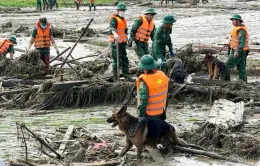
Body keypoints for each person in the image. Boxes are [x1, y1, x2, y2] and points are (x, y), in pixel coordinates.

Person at [136, 55, 169, 120]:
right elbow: (158, 85)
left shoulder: (143, 81)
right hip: (161, 111)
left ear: (143, 68)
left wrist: (140, 115)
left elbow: (144, 100)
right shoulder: (161, 76)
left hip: (149, 114)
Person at [109, 3, 133, 82]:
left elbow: (124, 32)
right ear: (118, 10)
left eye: (123, 10)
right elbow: (112, 27)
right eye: (121, 10)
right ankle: (116, 78)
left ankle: (127, 76)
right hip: (115, 43)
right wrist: (114, 33)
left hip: (122, 43)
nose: (122, 12)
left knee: (125, 59)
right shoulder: (114, 19)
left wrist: (128, 39)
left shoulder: (123, 19)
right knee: (116, 61)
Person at [225, 14, 249, 82]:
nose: (232, 22)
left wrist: (237, 51)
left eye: (233, 20)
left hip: (238, 51)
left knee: (226, 66)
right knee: (241, 67)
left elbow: (242, 42)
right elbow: (235, 40)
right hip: (240, 51)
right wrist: (229, 44)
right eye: (232, 20)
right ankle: (243, 82)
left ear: (238, 21)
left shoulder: (241, 30)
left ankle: (226, 81)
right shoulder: (237, 28)